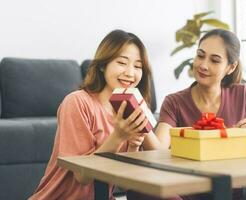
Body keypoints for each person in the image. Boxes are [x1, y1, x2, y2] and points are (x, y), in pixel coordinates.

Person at [127, 29, 246, 200]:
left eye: (215, 60)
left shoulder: (243, 95)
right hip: (188, 190)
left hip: (235, 188)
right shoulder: (174, 102)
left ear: (231, 67)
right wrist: (141, 119)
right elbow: (158, 150)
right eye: (200, 55)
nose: (203, 65)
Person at [29, 29, 158, 200]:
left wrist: (133, 146)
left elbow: (123, 185)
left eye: (138, 66)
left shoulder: (129, 110)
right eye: (122, 62)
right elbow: (82, 177)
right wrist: (118, 136)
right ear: (103, 65)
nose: (130, 73)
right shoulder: (77, 102)